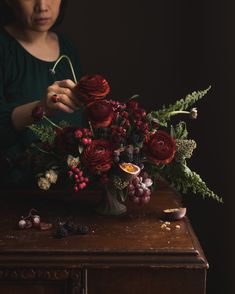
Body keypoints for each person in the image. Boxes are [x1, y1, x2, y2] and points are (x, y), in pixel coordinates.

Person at [0, 0, 84, 187]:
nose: (43, 6)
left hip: (69, 186)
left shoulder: (68, 47)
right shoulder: (4, 48)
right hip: (15, 190)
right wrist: (42, 107)